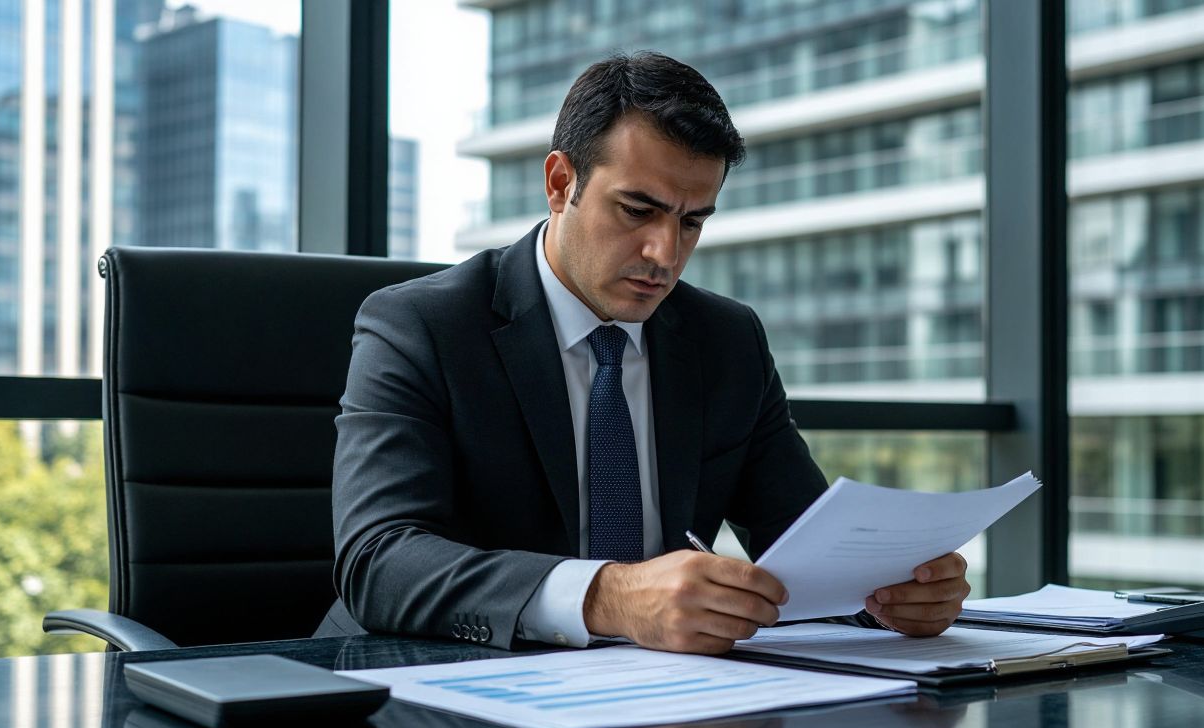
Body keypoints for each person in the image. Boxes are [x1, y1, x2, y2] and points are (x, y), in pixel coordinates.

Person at [317, 51, 969, 653]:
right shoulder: (420, 327)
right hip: (432, 694)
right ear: (559, 181)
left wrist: (889, 592)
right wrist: (608, 596)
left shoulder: (726, 341)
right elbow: (380, 559)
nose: (666, 253)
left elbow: (805, 545)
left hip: (662, 701)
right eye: (637, 210)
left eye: (692, 221)